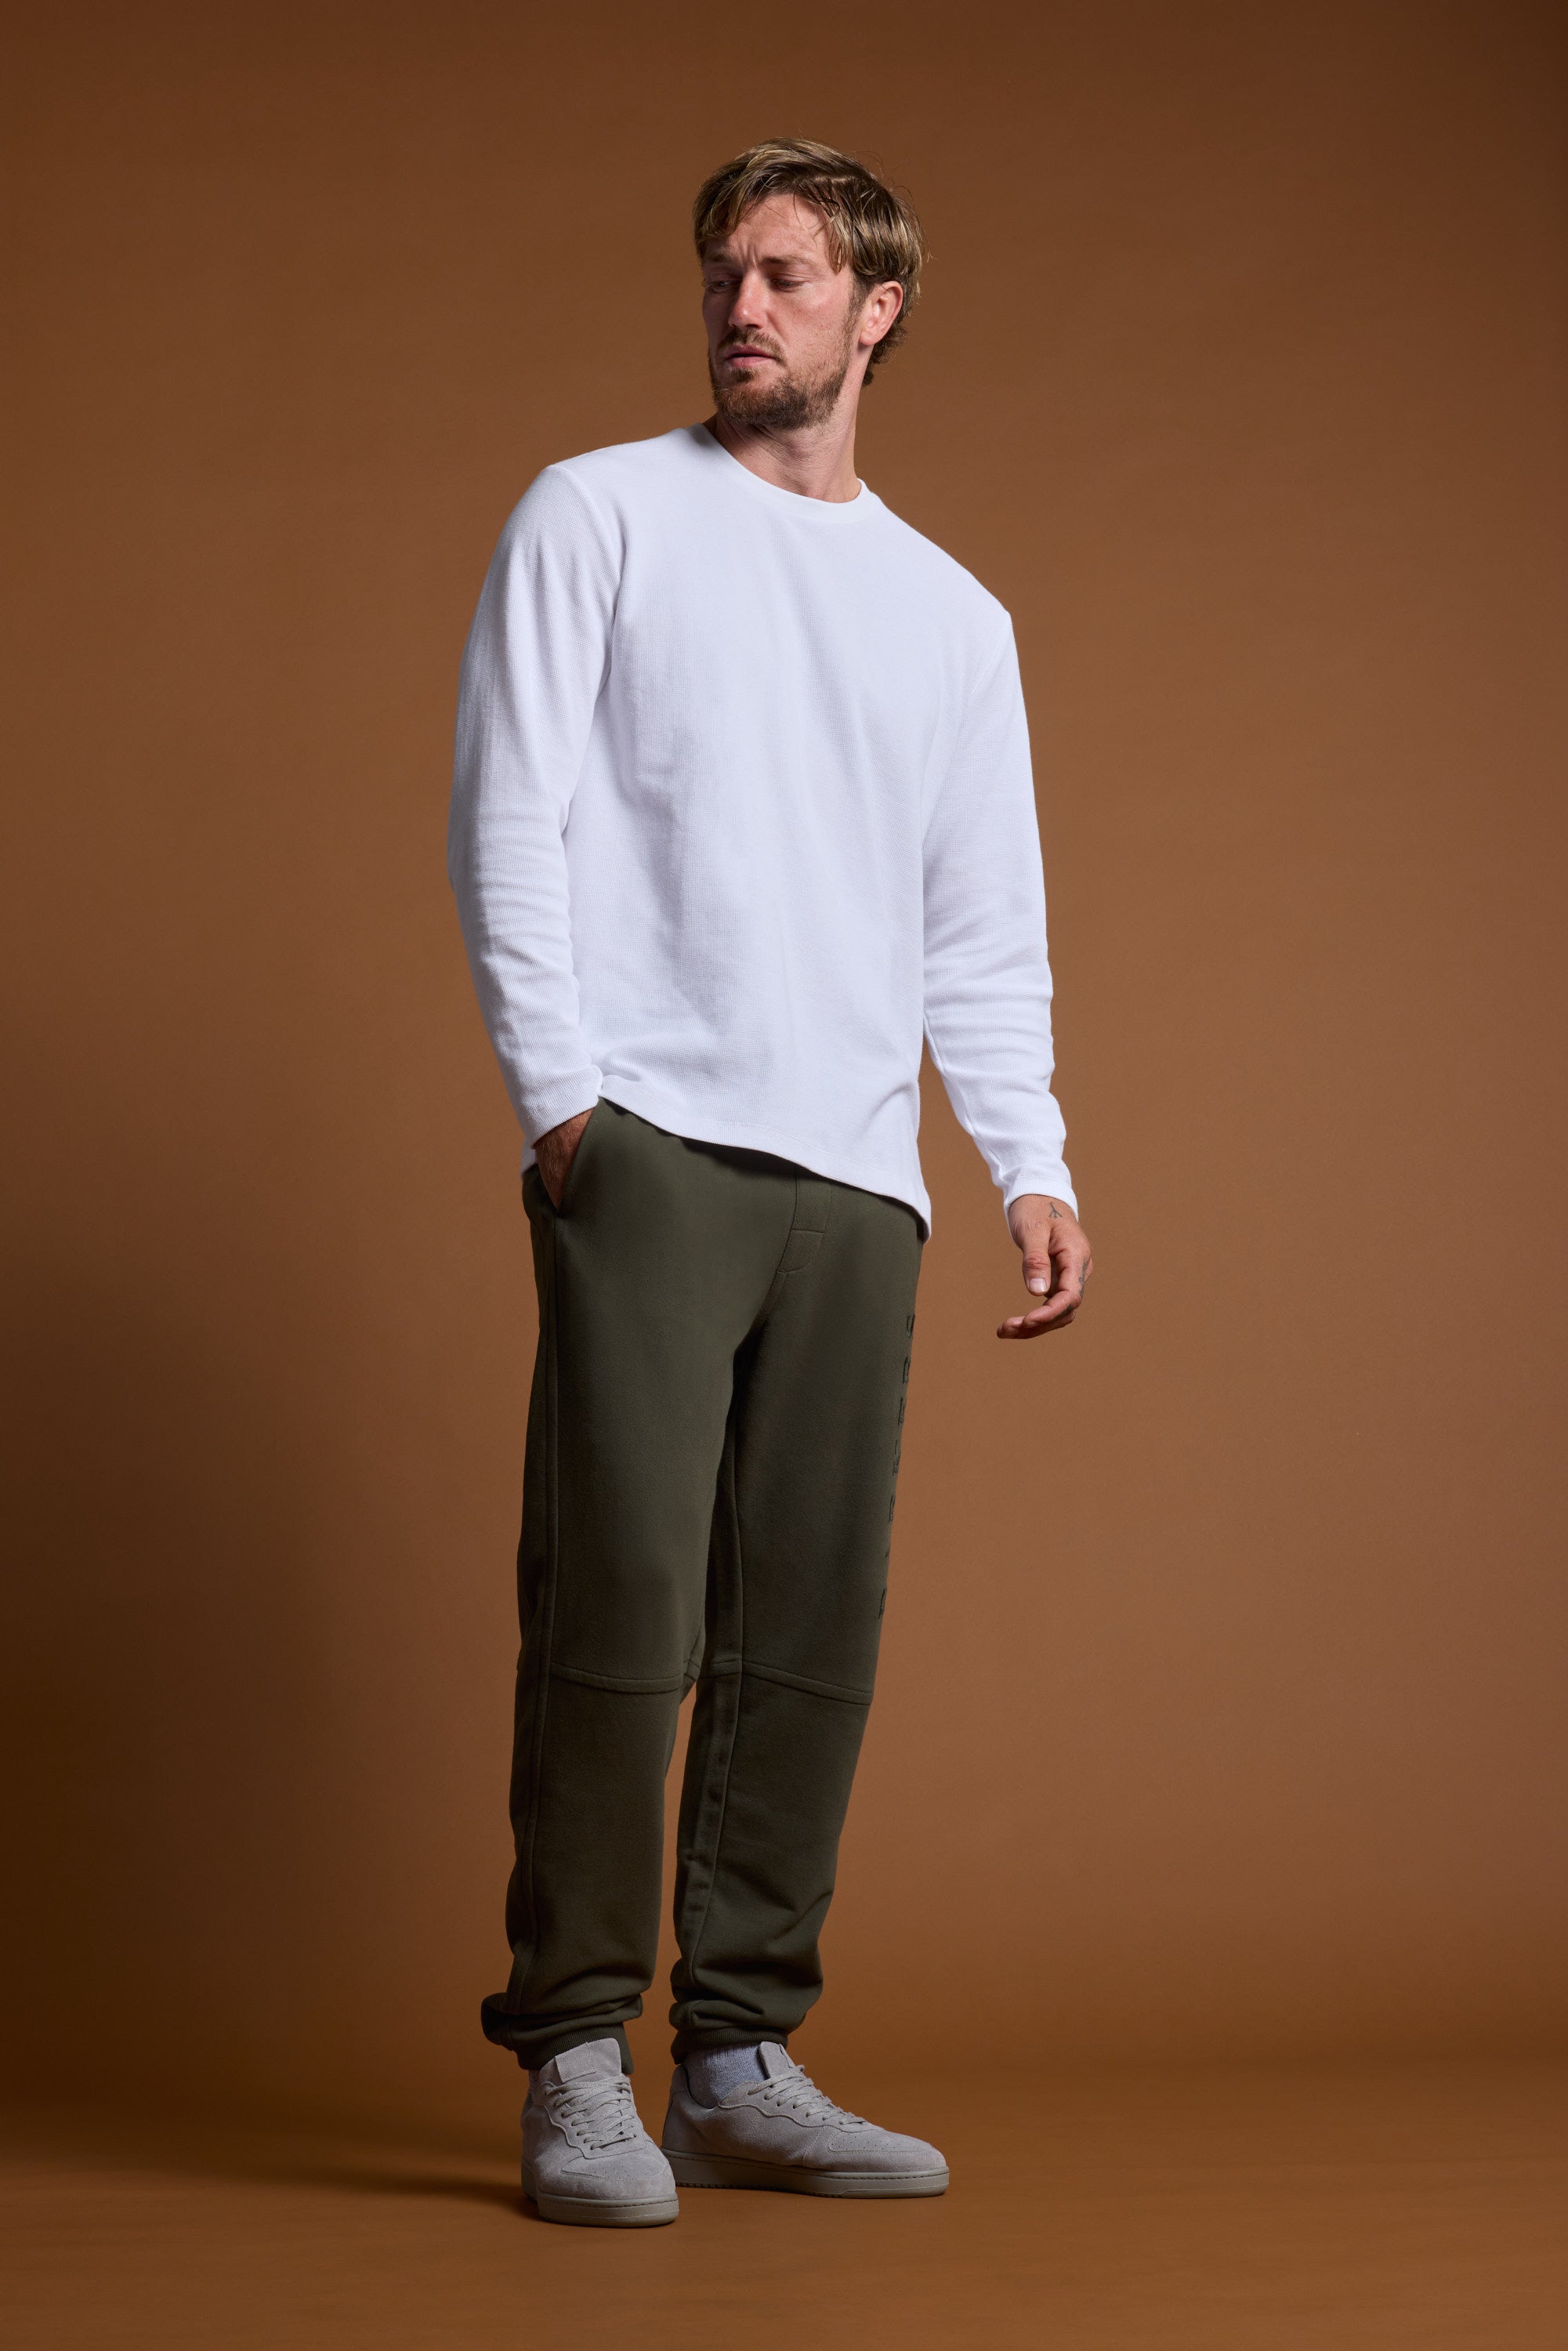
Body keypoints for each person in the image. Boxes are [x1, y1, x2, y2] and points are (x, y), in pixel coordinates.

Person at [448, 137, 1092, 2229]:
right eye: (724, 273)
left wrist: (1025, 1156)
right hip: (649, 1143)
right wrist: (566, 1102)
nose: (744, 306)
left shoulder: (952, 613)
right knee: (620, 1607)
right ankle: (570, 2052)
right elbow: (509, 810)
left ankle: (734, 2052)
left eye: (788, 275)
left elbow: (976, 919)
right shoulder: (599, 513)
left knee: (808, 1629)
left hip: (852, 1179)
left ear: (872, 311)